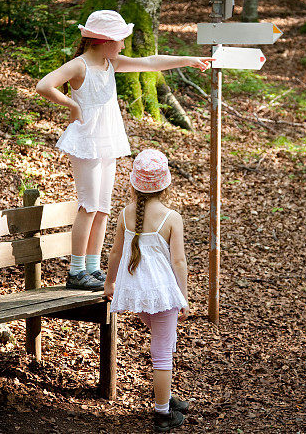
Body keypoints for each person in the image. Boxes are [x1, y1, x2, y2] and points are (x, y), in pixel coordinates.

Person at [35, 10, 212, 290]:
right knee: (88, 206)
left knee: (103, 208)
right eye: (120, 40)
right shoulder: (79, 66)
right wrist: (72, 105)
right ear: (104, 41)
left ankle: (93, 268)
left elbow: (151, 63)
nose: (123, 46)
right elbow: (44, 85)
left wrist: (187, 60)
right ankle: (76, 269)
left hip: (107, 141)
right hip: (86, 142)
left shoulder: (111, 63)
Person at [104, 149, 190, 432]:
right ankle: (162, 413)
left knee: (163, 341)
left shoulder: (125, 215)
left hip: (138, 294)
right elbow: (178, 261)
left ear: (133, 184)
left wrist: (109, 283)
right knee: (163, 352)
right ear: (165, 185)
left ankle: (164, 397)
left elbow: (115, 253)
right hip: (161, 293)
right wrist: (184, 297)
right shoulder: (171, 217)